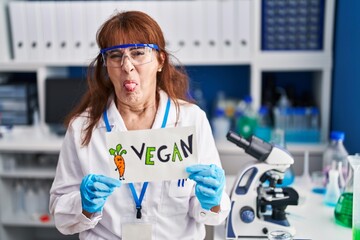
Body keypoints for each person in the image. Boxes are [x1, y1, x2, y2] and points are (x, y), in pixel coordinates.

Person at [49, 10, 230, 240]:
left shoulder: (190, 120)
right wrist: (84, 205)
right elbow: (60, 214)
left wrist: (212, 201)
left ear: (160, 61)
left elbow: (212, 214)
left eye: (137, 53)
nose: (127, 66)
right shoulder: (82, 129)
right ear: (106, 64)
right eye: (115, 55)